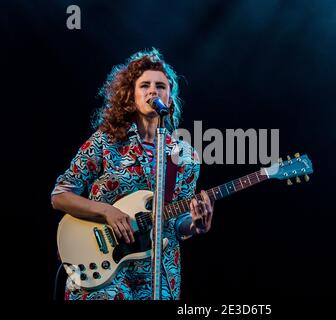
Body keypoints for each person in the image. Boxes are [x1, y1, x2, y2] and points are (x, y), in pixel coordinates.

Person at [51, 48, 214, 300]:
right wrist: (107, 210)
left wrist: (195, 225)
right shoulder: (105, 142)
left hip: (157, 274)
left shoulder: (186, 157)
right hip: (102, 267)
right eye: (144, 85)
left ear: (169, 99)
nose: (153, 91)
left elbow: (177, 222)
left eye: (160, 86)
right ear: (131, 96)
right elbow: (60, 195)